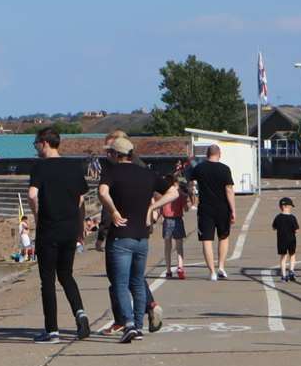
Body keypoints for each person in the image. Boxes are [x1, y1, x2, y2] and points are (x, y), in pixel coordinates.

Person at [98, 135, 177, 343]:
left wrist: (113, 211)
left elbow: (102, 192)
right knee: (138, 282)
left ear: (116, 154)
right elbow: (173, 192)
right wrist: (152, 207)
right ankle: (139, 327)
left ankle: (129, 324)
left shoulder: (111, 172)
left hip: (121, 236)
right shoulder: (147, 173)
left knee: (120, 284)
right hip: (142, 236)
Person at [26, 126, 91, 342]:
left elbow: (32, 195)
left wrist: (37, 216)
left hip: (49, 229)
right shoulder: (73, 166)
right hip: (70, 229)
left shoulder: (40, 167)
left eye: (36, 143)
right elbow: (81, 199)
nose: (36, 148)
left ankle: (52, 330)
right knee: (66, 275)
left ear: (44, 143)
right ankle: (80, 313)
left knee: (48, 280)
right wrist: (78, 223)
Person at [188, 144, 237, 280]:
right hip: (223, 208)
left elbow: (191, 185)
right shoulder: (225, 169)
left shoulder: (199, 168)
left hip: (205, 208)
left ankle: (212, 272)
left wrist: (193, 198)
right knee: (224, 237)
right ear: (219, 154)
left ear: (207, 154)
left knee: (207, 240)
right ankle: (221, 266)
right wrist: (233, 210)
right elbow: (229, 190)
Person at [159, 162, 189, 280]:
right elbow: (186, 209)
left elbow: (161, 208)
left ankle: (168, 270)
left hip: (167, 220)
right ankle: (180, 266)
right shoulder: (180, 194)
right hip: (178, 219)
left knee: (167, 245)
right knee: (179, 245)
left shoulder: (164, 194)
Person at [274, 197, 300, 282]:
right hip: (291, 239)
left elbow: (274, 227)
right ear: (286, 206)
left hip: (281, 240)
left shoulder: (278, 217)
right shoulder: (292, 217)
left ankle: (283, 275)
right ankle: (291, 271)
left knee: (283, 257)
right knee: (292, 255)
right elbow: (296, 230)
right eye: (290, 206)